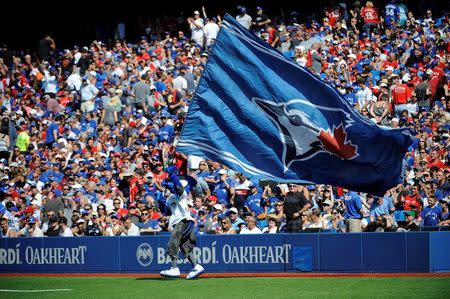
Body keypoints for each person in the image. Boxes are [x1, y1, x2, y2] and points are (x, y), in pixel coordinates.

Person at [160, 171, 204, 279]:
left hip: (183, 221)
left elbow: (178, 187)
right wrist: (160, 198)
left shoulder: (182, 194)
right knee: (184, 246)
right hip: (180, 222)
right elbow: (166, 212)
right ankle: (197, 266)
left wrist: (172, 176)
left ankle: (175, 268)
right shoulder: (169, 199)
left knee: (172, 242)